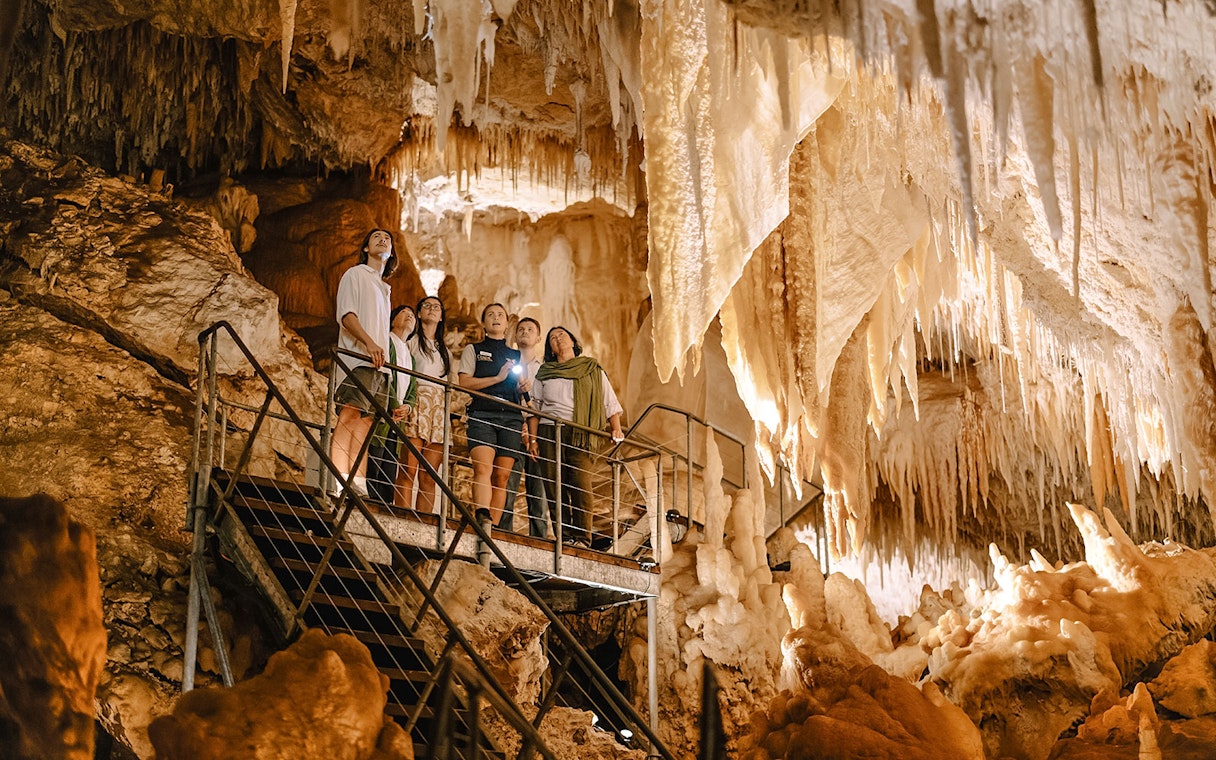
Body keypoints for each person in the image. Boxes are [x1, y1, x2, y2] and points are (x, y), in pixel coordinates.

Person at [527, 326, 624, 547]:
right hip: (549, 430)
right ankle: (565, 536)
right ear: (550, 347)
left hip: (581, 432)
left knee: (580, 484)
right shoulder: (544, 372)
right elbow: (535, 409)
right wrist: (532, 440)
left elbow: (609, 401)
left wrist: (615, 428)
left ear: (572, 340)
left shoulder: (591, 369)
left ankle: (582, 537)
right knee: (554, 486)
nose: (558, 339)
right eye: (553, 338)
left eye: (562, 334)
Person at [331, 228, 397, 496]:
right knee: (350, 416)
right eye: (376, 237)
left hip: (380, 367)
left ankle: (357, 484)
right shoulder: (356, 274)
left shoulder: (384, 288)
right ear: (366, 248)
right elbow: (347, 314)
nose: (383, 240)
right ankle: (338, 481)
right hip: (358, 359)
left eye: (388, 239)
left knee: (366, 425)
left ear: (391, 252)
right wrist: (369, 343)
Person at [459, 303, 524, 532]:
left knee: (502, 475)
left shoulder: (517, 355)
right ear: (484, 322)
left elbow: (522, 388)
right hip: (483, 413)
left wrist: (523, 385)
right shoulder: (473, 350)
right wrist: (497, 378)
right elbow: (464, 383)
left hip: (512, 417)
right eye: (490, 315)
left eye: (500, 315)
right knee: (483, 468)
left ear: (507, 323)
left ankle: (493, 529)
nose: (496, 318)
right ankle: (482, 516)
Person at [498, 317, 554, 537]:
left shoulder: (544, 370)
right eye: (521, 329)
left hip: (536, 434)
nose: (525, 332)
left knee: (537, 491)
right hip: (510, 428)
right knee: (507, 485)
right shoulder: (507, 364)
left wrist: (533, 436)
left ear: (538, 338)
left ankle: (540, 538)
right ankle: (503, 534)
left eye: (530, 329)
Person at [399, 295, 451, 513]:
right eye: (426, 306)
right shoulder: (410, 342)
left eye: (437, 307)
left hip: (438, 411)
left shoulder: (444, 350)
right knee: (408, 469)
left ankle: (424, 523)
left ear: (440, 317)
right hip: (417, 404)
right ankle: (401, 516)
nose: (432, 309)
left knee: (429, 475)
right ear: (419, 313)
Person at [367, 305, 417, 506]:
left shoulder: (410, 356)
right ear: (393, 319)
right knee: (374, 461)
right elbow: (383, 375)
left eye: (413, 316)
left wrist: (409, 406)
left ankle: (385, 507)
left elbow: (412, 387)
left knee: (389, 468)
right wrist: (395, 403)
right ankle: (370, 503)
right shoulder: (386, 341)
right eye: (405, 313)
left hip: (397, 419)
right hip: (383, 413)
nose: (410, 317)